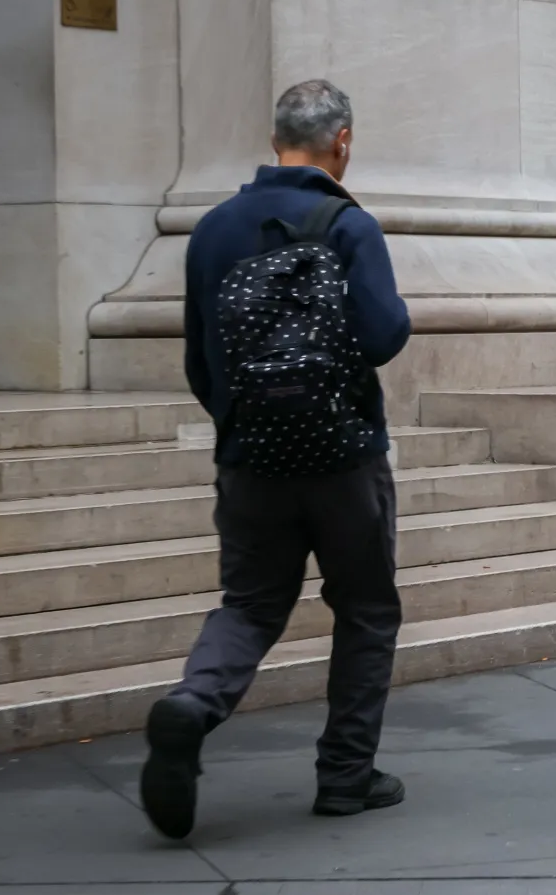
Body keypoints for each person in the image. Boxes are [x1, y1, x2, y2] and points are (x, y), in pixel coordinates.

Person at [138, 80, 413, 840]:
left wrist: (240, 422)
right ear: (343, 142)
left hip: (250, 459)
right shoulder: (348, 225)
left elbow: (199, 360)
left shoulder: (214, 230)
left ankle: (193, 705)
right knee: (364, 607)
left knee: (252, 603)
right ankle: (346, 777)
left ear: (274, 143)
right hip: (343, 456)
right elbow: (386, 335)